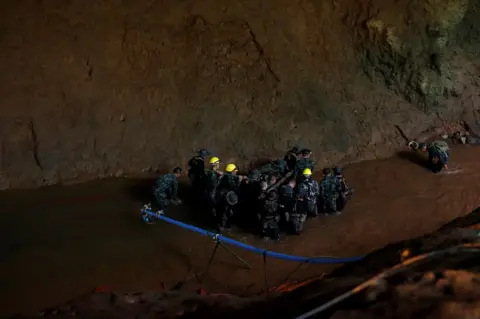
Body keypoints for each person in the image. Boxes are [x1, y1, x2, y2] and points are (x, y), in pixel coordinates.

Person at [214, 164, 244, 231]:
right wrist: (239, 181)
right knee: (225, 213)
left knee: (221, 212)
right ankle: (223, 226)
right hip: (225, 198)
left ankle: (221, 224)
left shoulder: (225, 176)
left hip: (220, 196)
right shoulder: (229, 179)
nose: (236, 172)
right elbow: (235, 188)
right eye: (235, 171)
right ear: (232, 171)